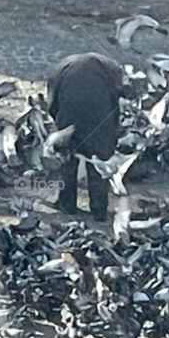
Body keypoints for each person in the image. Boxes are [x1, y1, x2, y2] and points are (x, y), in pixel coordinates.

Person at [47, 53, 124, 219]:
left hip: (69, 120)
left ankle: (67, 205)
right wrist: (112, 131)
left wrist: (60, 125)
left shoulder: (62, 68)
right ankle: (99, 210)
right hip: (100, 122)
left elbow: (52, 103)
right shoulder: (109, 73)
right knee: (98, 164)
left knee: (67, 163)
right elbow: (114, 103)